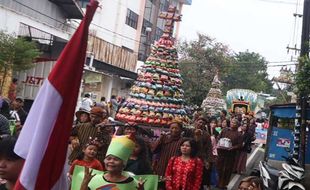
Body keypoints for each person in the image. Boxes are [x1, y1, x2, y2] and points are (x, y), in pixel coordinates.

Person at [79, 135, 145, 190]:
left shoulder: (134, 184)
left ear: (124, 164)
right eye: (108, 158)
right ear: (104, 161)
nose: (111, 161)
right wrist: (85, 183)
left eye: (116, 159)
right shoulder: (94, 179)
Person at [217, 118, 242, 189]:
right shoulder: (224, 130)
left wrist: (233, 147)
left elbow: (240, 145)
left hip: (231, 154)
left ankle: (224, 184)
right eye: (232, 122)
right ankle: (218, 182)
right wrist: (218, 143)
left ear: (237, 125)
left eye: (234, 123)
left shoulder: (239, 134)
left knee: (228, 169)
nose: (232, 124)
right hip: (221, 152)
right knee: (219, 168)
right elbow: (219, 137)